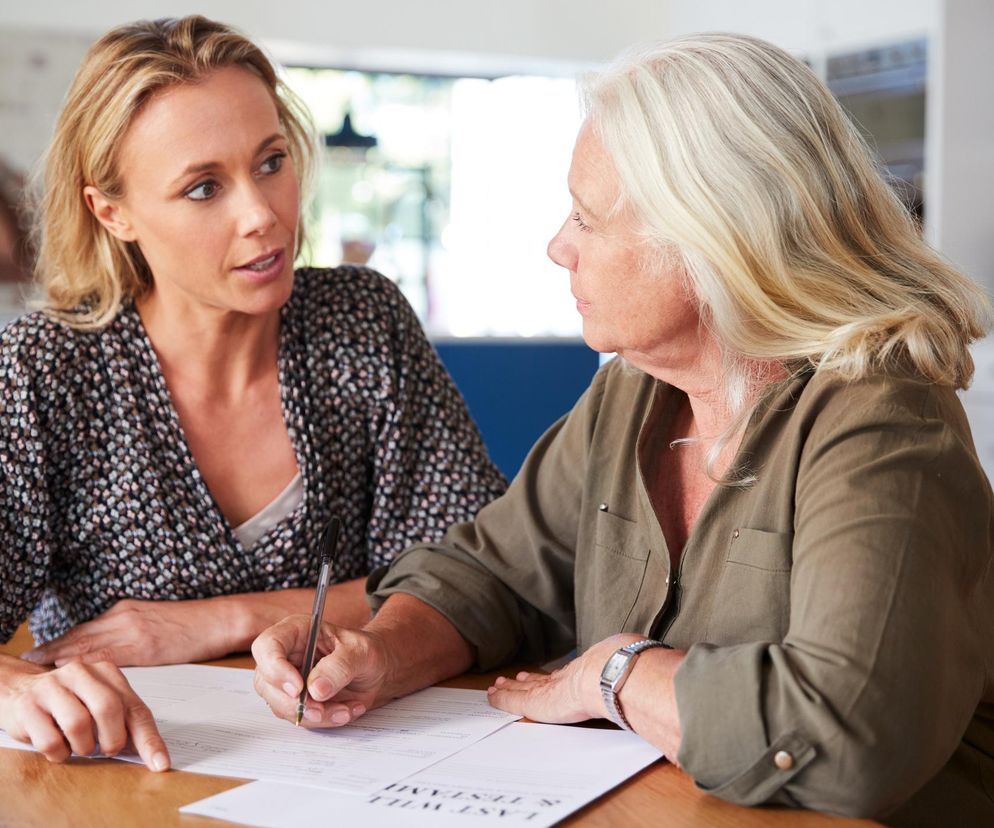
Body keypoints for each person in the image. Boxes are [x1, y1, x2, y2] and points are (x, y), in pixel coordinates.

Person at [253, 34, 994, 824]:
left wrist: (616, 672)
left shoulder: (881, 416)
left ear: (712, 237)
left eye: (587, 218)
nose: (557, 246)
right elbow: (496, 576)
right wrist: (382, 651)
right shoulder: (633, 393)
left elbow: (851, 738)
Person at [0, 16, 505, 771]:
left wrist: (217, 621)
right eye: (204, 188)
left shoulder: (362, 323)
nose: (261, 214)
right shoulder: (46, 369)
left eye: (271, 162)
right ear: (114, 212)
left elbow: (482, 576)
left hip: (374, 767)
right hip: (129, 783)